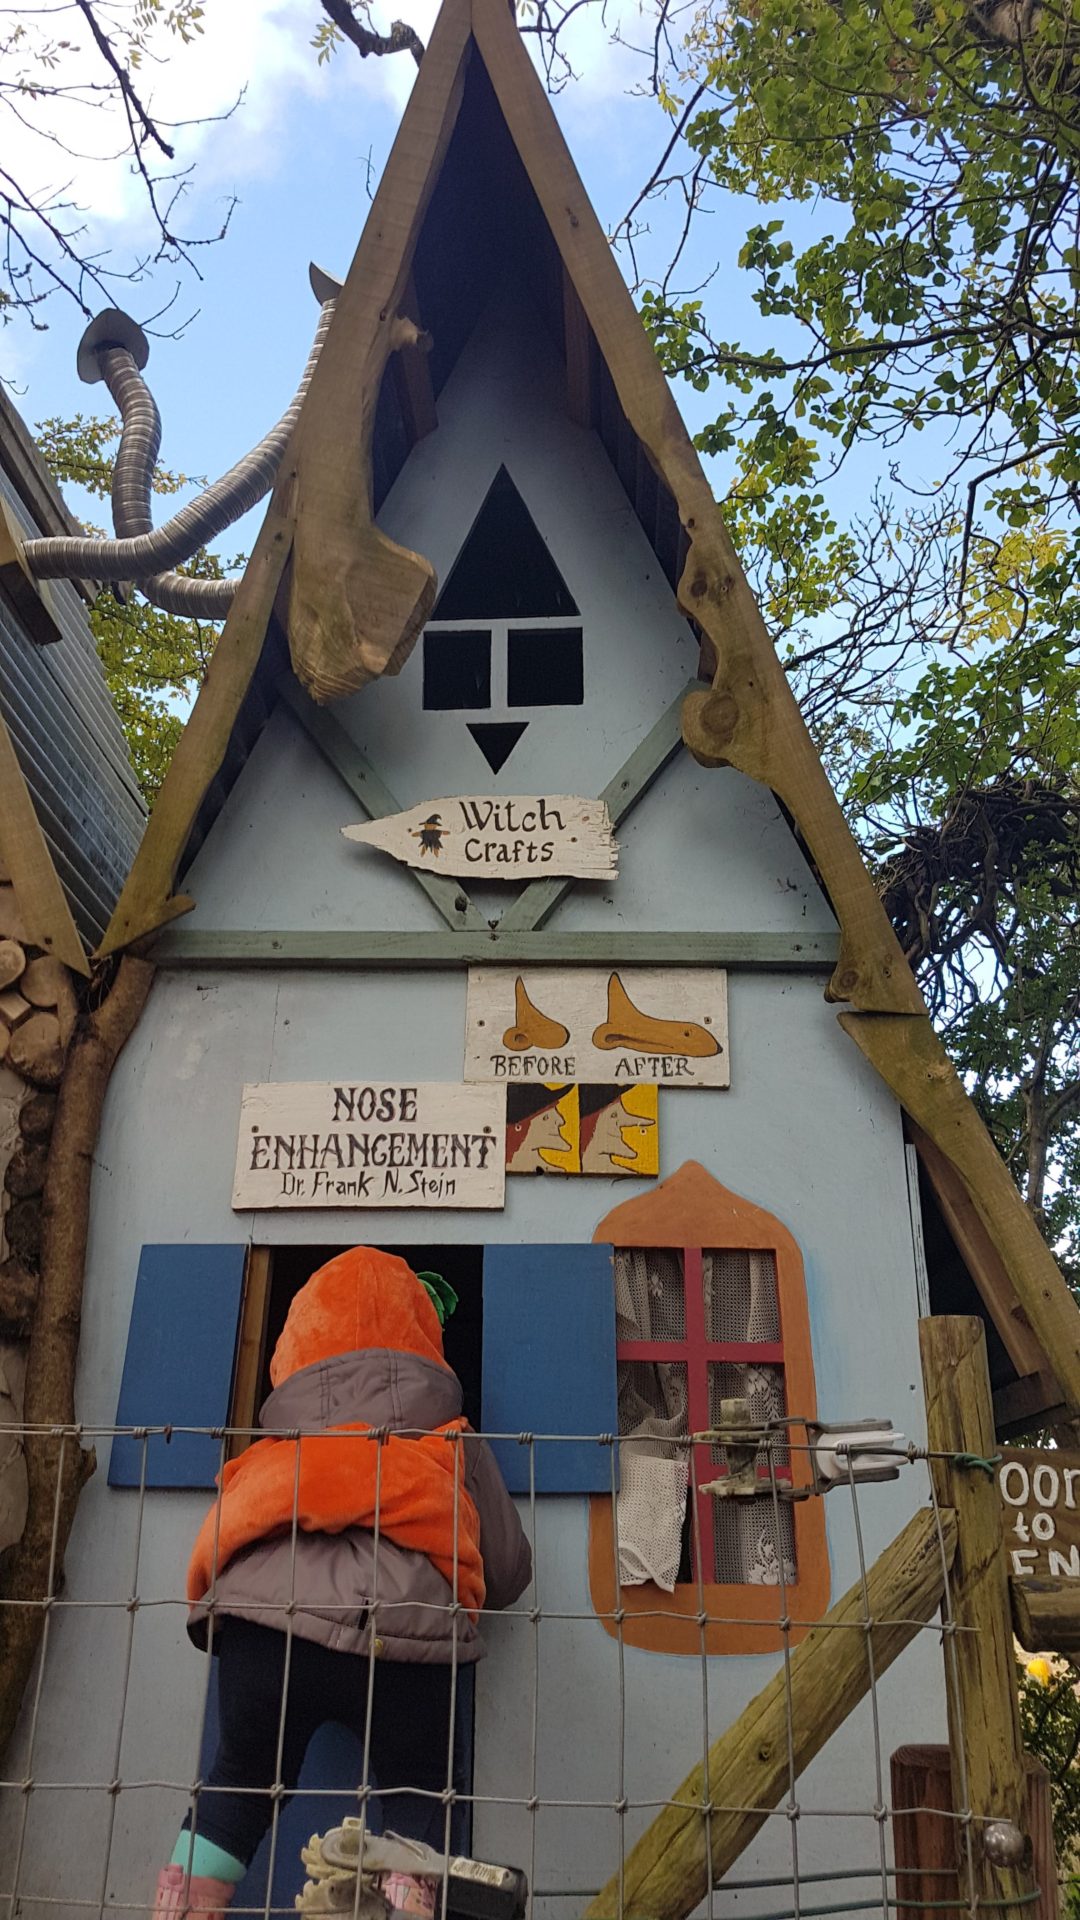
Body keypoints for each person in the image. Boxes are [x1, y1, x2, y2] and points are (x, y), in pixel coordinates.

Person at [152, 1247, 532, 1920]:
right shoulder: (452, 1441)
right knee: (421, 1789)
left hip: (265, 1633)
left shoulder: (274, 1447)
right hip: (406, 1637)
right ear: (425, 1339)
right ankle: (408, 1901)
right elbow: (507, 1574)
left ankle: (181, 1906)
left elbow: (223, 1537)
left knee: (239, 1780)